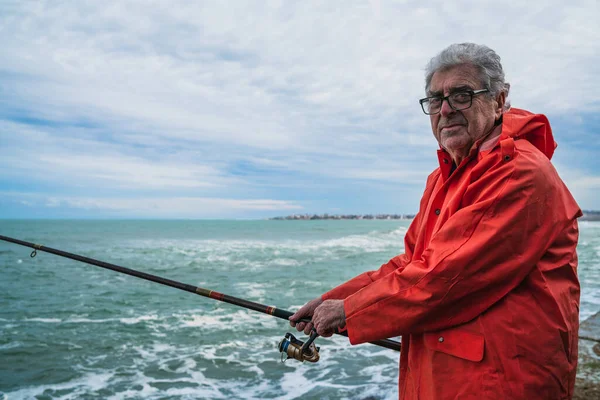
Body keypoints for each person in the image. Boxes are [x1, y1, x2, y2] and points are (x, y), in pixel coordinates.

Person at [290, 43, 582, 399]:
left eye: (461, 95)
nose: (445, 110)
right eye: (435, 100)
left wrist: (349, 312)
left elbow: (444, 277)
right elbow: (412, 263)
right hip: (447, 375)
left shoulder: (518, 172)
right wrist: (332, 300)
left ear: (500, 99)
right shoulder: (444, 177)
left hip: (500, 379)